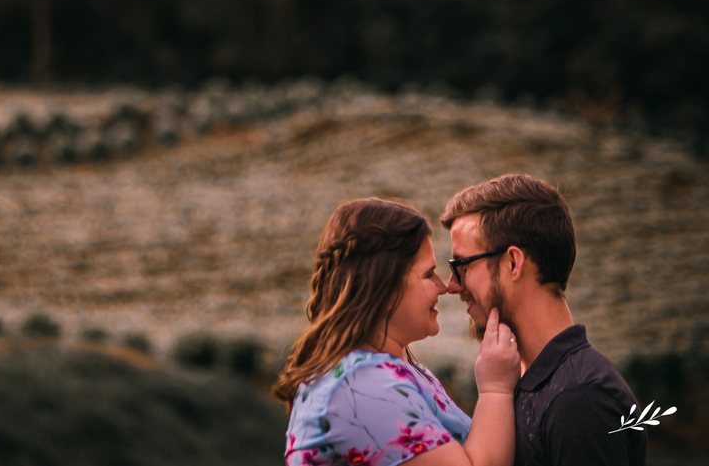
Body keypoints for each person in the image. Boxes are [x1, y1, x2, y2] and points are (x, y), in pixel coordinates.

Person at [276, 197, 520, 466]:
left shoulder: (389, 371)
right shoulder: (360, 388)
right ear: (386, 286)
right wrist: (495, 389)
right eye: (428, 275)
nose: (443, 287)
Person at [441, 174, 646, 466]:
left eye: (461, 265)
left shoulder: (580, 401)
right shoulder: (524, 381)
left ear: (514, 262)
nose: (452, 285)